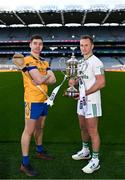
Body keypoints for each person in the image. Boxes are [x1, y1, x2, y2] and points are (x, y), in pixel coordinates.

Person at [19, 35, 56, 176]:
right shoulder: (27, 60)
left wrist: (43, 78)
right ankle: (25, 163)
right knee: (28, 131)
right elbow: (41, 78)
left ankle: (39, 151)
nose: (37, 46)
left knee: (40, 127)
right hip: (32, 100)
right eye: (35, 43)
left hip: (44, 100)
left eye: (40, 44)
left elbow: (53, 79)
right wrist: (45, 76)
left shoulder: (44, 61)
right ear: (30, 45)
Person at [69, 35, 105, 174]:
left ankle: (95, 160)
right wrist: (73, 82)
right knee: (83, 127)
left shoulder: (97, 62)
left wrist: (85, 93)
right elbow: (79, 79)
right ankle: (85, 151)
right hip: (81, 101)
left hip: (92, 101)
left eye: (86, 45)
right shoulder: (81, 62)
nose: (83, 48)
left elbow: (101, 82)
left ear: (92, 46)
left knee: (92, 130)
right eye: (81, 45)